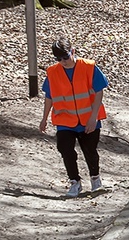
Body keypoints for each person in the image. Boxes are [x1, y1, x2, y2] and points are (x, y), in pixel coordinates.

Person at [39, 37, 109, 198]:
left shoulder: (89, 67)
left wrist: (93, 118)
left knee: (90, 151)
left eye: (65, 57)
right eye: (59, 59)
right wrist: (44, 119)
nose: (63, 61)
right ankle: (74, 182)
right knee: (65, 149)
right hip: (65, 120)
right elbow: (49, 96)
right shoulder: (52, 72)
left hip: (88, 119)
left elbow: (99, 91)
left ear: (73, 51)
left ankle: (95, 179)